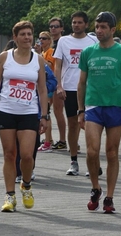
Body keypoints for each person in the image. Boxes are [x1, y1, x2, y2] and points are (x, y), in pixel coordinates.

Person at [0, 21, 48, 212]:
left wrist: (44, 115)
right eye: (23, 34)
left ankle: (26, 185)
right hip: (6, 111)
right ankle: (9, 196)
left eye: (29, 34)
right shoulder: (5, 57)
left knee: (27, 156)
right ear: (15, 38)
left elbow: (42, 90)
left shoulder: (38, 60)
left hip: (28, 113)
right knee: (9, 155)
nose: (27, 37)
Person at [77, 11, 121, 213]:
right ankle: (96, 188)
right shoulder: (88, 52)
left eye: (104, 27)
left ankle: (109, 198)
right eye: (97, 27)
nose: (99, 30)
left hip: (116, 106)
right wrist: (80, 110)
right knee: (92, 151)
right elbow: (81, 83)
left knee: (112, 153)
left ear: (113, 30)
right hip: (93, 106)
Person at [54, 11, 98, 175]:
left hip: (90, 88)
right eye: (74, 22)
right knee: (73, 124)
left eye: (80, 22)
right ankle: (74, 161)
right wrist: (59, 86)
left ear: (86, 25)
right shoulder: (63, 41)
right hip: (70, 89)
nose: (76, 25)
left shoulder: (93, 41)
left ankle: (93, 162)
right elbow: (57, 65)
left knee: (92, 125)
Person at [48, 17, 67, 150]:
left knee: (59, 111)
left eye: (56, 26)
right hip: (54, 82)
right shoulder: (52, 44)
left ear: (61, 29)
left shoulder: (62, 42)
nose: (53, 28)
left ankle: (63, 140)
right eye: (51, 26)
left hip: (62, 82)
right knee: (55, 111)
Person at [37, 31, 56, 152]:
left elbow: (50, 65)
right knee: (45, 111)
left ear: (49, 40)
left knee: (46, 113)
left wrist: (39, 57)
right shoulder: (43, 52)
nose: (41, 40)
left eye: (44, 38)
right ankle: (48, 139)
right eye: (40, 38)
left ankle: (48, 142)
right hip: (42, 84)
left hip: (48, 84)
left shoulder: (50, 52)